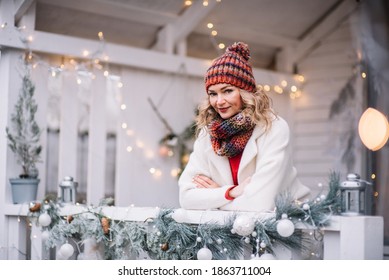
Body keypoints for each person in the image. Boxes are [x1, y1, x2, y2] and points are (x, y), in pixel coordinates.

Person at [178, 42, 310, 212]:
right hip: (230, 232)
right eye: (213, 93)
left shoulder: (273, 128)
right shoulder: (208, 134)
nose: (219, 101)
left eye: (227, 91)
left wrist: (216, 198)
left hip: (285, 227)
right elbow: (187, 198)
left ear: (245, 92)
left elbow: (259, 204)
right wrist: (231, 192)